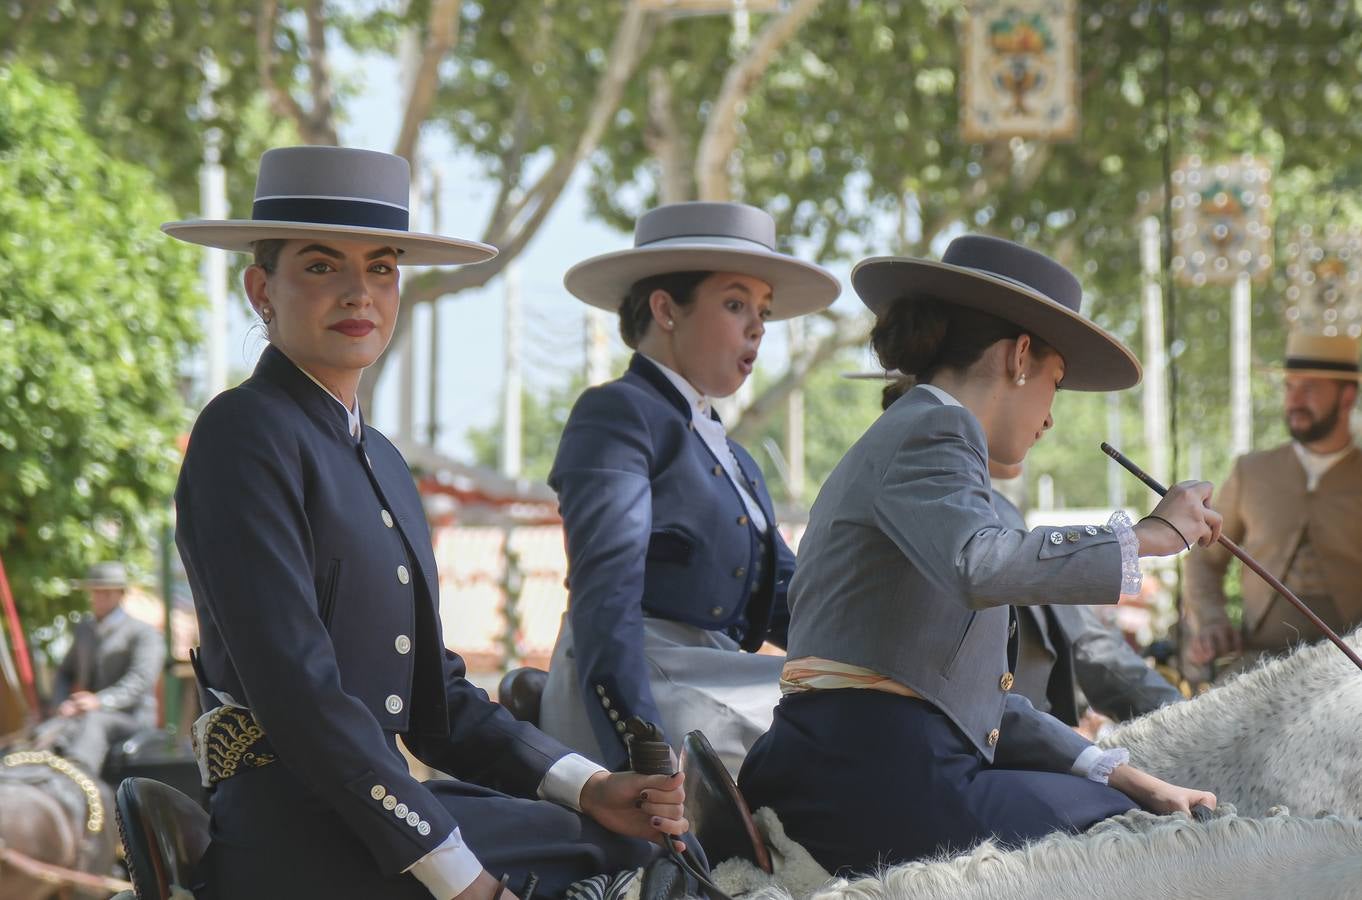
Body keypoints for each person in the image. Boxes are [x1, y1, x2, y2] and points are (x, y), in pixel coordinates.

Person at [164, 146, 690, 900]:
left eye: (381, 269)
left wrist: (589, 785)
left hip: (380, 822)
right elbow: (300, 693)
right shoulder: (243, 431)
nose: (359, 293)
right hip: (298, 833)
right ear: (260, 290)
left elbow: (435, 700)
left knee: (645, 848)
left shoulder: (379, 458)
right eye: (321, 267)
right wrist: (459, 875)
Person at [739, 235, 1219, 874]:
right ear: (1021, 356)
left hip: (866, 767)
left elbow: (973, 699)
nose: (1050, 418)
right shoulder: (937, 425)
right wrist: (1149, 536)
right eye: (1057, 381)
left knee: (1124, 808)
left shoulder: (916, 435)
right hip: (875, 777)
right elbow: (980, 564)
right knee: (1134, 843)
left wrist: (1123, 773)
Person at [540, 202, 840, 775]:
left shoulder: (735, 457)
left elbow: (795, 602)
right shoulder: (615, 413)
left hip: (719, 674)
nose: (757, 327)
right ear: (665, 310)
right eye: (735, 304)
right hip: (643, 679)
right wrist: (641, 748)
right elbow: (605, 599)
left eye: (763, 312)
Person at [1184, 332, 1362, 675]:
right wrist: (1211, 622)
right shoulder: (1251, 471)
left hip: (1350, 674)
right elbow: (1205, 559)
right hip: (1259, 663)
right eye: (1289, 387)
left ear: (1346, 396)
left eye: (1309, 388)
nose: (1294, 400)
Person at [989, 462, 1184, 725]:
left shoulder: (1004, 511)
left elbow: (1089, 644)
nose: (1048, 423)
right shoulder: (977, 515)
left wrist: (1188, 719)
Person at [45, 561, 164, 775]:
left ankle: (79, 778)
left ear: (120, 594)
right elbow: (64, 672)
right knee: (55, 726)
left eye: (106, 592)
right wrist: (61, 704)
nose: (98, 598)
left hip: (131, 718)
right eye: (95, 592)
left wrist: (99, 702)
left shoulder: (143, 633)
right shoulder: (84, 630)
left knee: (94, 721)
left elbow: (139, 681)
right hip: (85, 712)